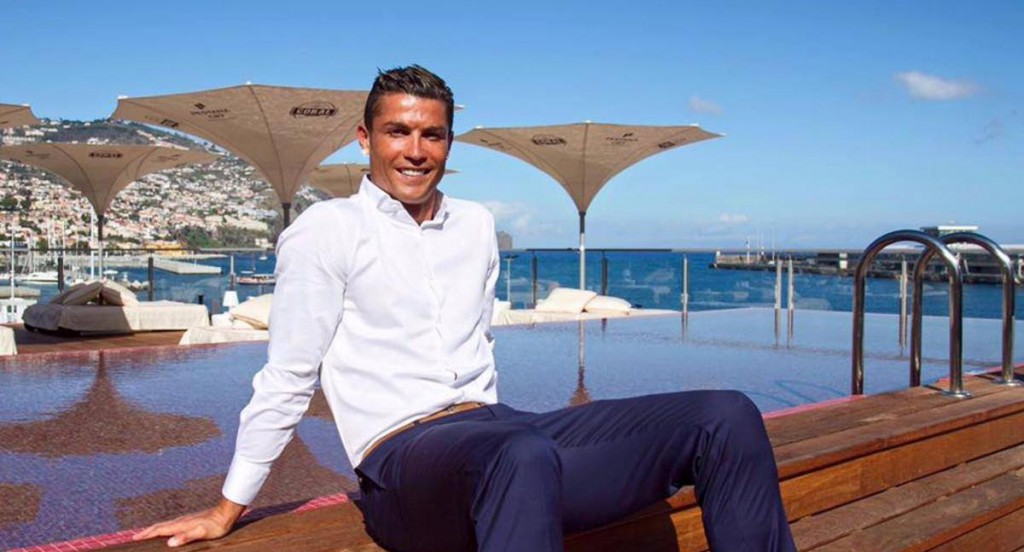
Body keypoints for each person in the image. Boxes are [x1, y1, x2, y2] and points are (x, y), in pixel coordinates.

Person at [133, 65, 796, 552]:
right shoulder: (326, 231)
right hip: (403, 466)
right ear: (365, 138)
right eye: (398, 132)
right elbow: (288, 376)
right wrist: (229, 506)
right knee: (519, 454)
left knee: (725, 416)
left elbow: (480, 351)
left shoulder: (476, 226)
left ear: (449, 142)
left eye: (433, 134)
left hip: (499, 435)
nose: (415, 150)